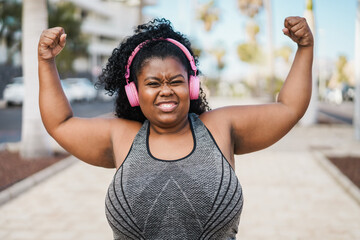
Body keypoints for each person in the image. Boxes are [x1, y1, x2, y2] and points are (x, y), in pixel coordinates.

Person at [38, 16, 313, 240]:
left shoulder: (220, 127)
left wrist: (304, 49)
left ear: (192, 86)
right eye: (153, 83)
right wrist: (46, 62)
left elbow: (288, 108)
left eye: (176, 81)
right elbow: (60, 123)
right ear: (134, 93)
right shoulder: (121, 137)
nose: (166, 91)